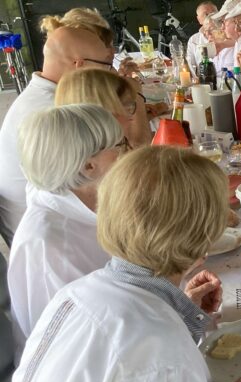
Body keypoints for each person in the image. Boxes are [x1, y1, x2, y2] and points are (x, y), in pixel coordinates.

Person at [12, 145, 241, 382]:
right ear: (203, 240)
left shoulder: (72, 294)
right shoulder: (167, 358)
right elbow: (150, 360)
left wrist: (177, 312)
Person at [8, 104, 126, 360]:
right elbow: (79, 339)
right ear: (88, 166)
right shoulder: (48, 244)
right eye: (119, 146)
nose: (125, 154)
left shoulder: (90, 201)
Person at [0, 26, 112, 245]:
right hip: (54, 237)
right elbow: (105, 176)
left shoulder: (43, 94)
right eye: (106, 64)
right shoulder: (55, 112)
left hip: (54, 220)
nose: (110, 72)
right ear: (79, 65)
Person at [55, 68, 151, 148]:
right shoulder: (103, 160)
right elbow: (140, 147)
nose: (131, 117)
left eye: (130, 107)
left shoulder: (107, 145)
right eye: (126, 107)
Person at [187, 1, 219, 73]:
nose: (211, 16)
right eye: (206, 14)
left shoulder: (228, 37)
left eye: (214, 12)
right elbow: (191, 64)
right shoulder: (194, 40)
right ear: (199, 20)